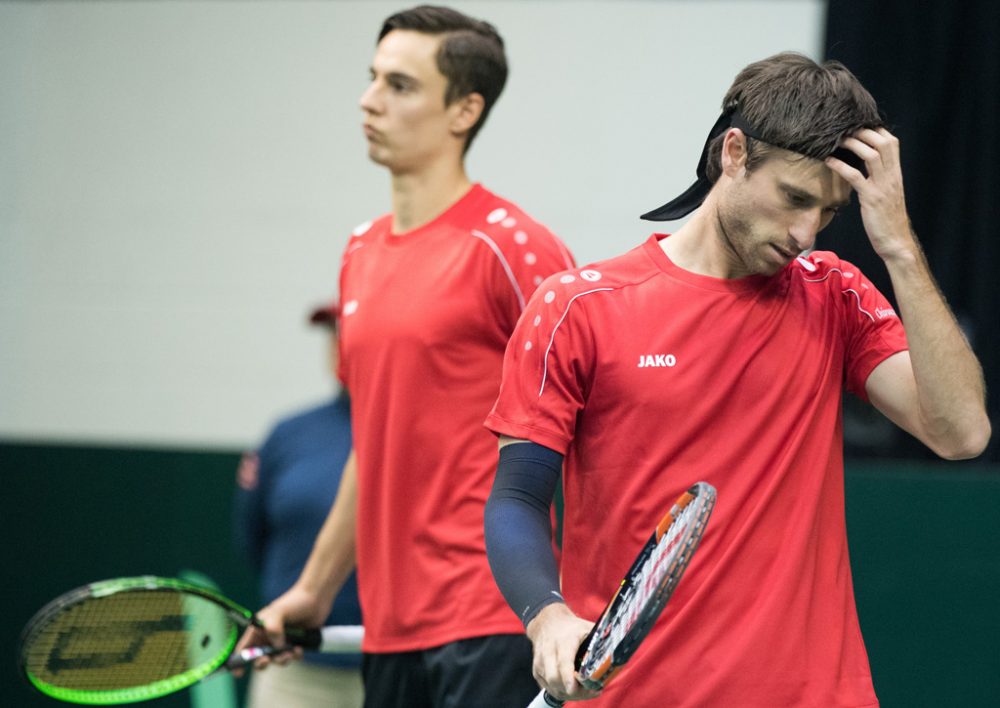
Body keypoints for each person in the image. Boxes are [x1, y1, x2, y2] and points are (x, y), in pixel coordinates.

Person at [483, 52, 990, 707]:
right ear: (734, 152)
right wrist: (546, 615)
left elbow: (963, 432)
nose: (806, 232)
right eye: (795, 198)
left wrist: (897, 244)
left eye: (828, 213)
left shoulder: (835, 295)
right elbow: (517, 500)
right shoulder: (578, 307)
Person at [239, 5, 575, 707]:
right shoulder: (360, 250)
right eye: (371, 79)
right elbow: (375, 440)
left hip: (491, 621)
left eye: (400, 85)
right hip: (387, 631)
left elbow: (595, 416)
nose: (369, 100)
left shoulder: (512, 245)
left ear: (464, 110)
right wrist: (314, 587)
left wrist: (566, 601)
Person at [233, 299, 363, 708]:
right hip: (295, 672)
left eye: (353, 334)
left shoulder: (426, 435)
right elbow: (251, 536)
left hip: (400, 669)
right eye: (334, 337)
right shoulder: (287, 434)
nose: (341, 346)